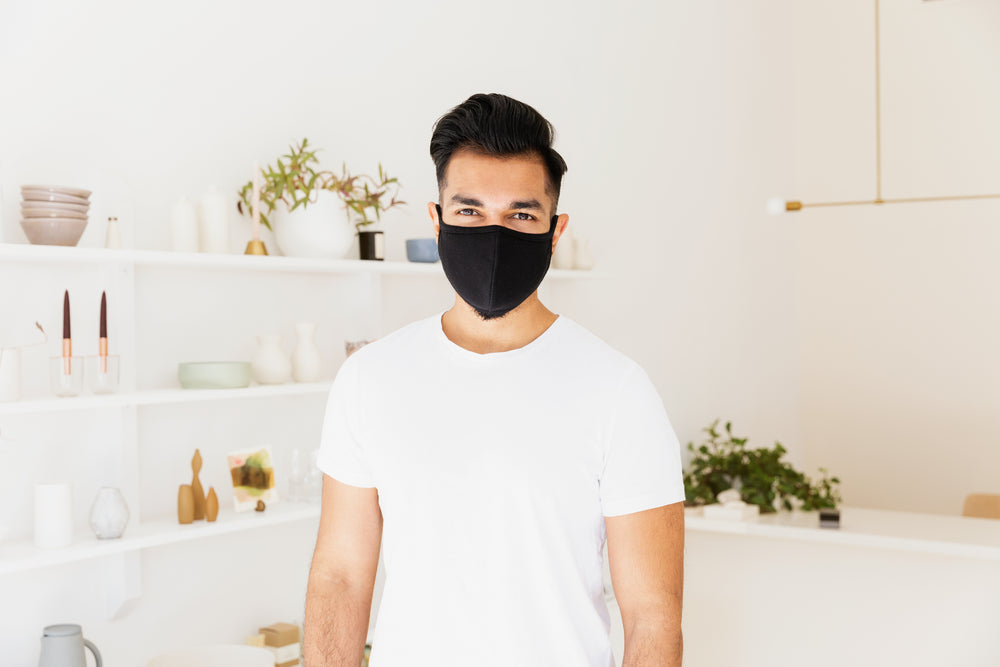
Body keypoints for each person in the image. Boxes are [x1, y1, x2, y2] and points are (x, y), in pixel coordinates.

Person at [305, 93, 685, 667]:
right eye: (470, 211)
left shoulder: (618, 393)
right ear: (437, 221)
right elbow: (340, 578)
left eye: (521, 215)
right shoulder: (369, 380)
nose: (494, 233)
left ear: (554, 232)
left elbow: (653, 616)